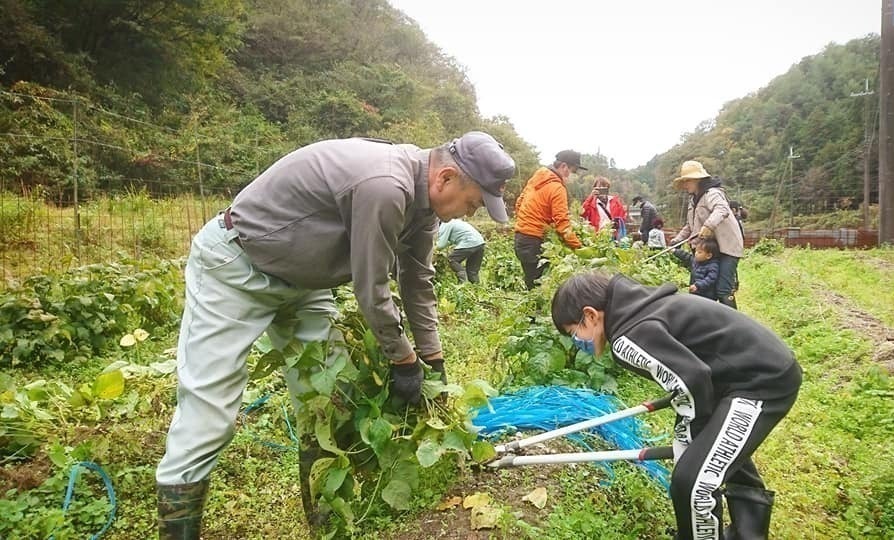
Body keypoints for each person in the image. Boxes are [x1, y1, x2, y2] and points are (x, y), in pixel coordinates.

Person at [155, 131, 516, 539]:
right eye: (472, 204)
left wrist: (433, 359)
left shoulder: (425, 208)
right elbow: (371, 288)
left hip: (305, 286)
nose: (468, 214)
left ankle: (325, 525)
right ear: (445, 178)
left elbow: (417, 280)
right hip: (237, 266)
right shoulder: (386, 185)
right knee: (209, 415)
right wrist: (403, 359)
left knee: (329, 402)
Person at [551, 272, 801, 540]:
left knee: (691, 482)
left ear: (590, 315)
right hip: (744, 372)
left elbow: (691, 381)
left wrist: (688, 438)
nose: (577, 341)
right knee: (714, 456)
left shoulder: (627, 339)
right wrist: (692, 436)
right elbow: (690, 382)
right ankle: (747, 534)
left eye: (574, 332)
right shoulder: (639, 307)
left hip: (761, 382)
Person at [670, 161, 744, 309]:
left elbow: (722, 209)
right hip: (709, 248)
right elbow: (690, 226)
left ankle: (732, 321)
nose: (685, 185)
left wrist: (709, 225)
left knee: (723, 289)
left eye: (687, 181)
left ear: (697, 180)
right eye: (684, 181)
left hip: (727, 247)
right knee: (702, 288)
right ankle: (707, 319)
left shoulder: (712, 194)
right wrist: (677, 240)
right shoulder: (693, 200)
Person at [513, 149, 585, 289]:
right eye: (573, 171)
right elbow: (562, 224)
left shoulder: (537, 178)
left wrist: (529, 221)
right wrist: (578, 247)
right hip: (534, 241)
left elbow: (519, 204)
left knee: (531, 280)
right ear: (564, 166)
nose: (572, 176)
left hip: (520, 238)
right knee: (539, 285)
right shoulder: (557, 188)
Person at [437, 218, 485, 283]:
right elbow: (453, 238)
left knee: (452, 259)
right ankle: (476, 287)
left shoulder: (445, 224)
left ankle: (463, 281)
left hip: (469, 241)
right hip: (480, 243)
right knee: (472, 271)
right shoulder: (454, 221)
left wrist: (433, 249)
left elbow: (440, 245)